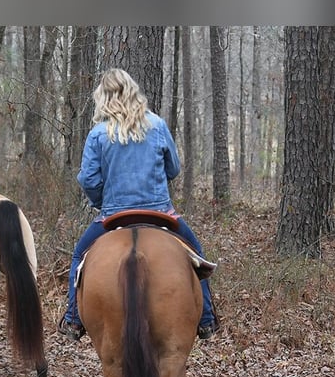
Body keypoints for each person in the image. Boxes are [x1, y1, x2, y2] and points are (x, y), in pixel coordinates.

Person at [58, 68, 220, 341]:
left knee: (78, 257)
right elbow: (174, 169)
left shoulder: (98, 133)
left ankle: (74, 319)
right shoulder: (156, 125)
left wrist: (101, 202)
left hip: (114, 215)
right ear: (133, 91)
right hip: (160, 214)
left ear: (104, 98)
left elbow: (88, 178)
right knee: (196, 251)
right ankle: (205, 320)